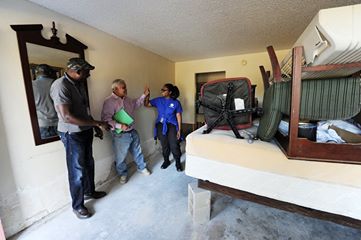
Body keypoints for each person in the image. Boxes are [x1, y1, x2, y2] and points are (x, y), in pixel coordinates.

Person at [50, 58, 111, 219]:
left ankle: (89, 191)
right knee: (77, 170)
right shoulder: (60, 86)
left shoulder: (79, 84)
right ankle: (77, 206)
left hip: (84, 130)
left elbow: (85, 109)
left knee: (89, 163)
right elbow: (67, 117)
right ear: (77, 71)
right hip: (72, 134)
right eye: (87, 72)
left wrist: (93, 127)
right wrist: (97, 123)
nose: (89, 75)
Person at [101, 79, 151, 184]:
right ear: (115, 89)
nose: (126, 89)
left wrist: (144, 95)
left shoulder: (127, 99)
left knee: (137, 151)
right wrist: (119, 125)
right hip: (120, 135)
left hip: (132, 131)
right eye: (123, 87)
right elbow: (106, 119)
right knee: (121, 156)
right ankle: (122, 174)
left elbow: (136, 104)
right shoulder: (109, 101)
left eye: (125, 87)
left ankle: (141, 168)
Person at [144, 83, 183, 172]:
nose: (161, 91)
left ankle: (178, 162)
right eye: (162, 89)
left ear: (170, 92)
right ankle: (166, 161)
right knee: (164, 145)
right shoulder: (158, 100)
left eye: (164, 90)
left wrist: (179, 130)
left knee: (174, 145)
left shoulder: (176, 102)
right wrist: (147, 96)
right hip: (161, 125)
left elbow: (178, 116)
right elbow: (146, 104)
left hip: (172, 125)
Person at [32, 64, 58, 139]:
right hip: (60, 123)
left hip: (42, 124)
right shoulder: (57, 83)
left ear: (36, 73)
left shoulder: (31, 85)